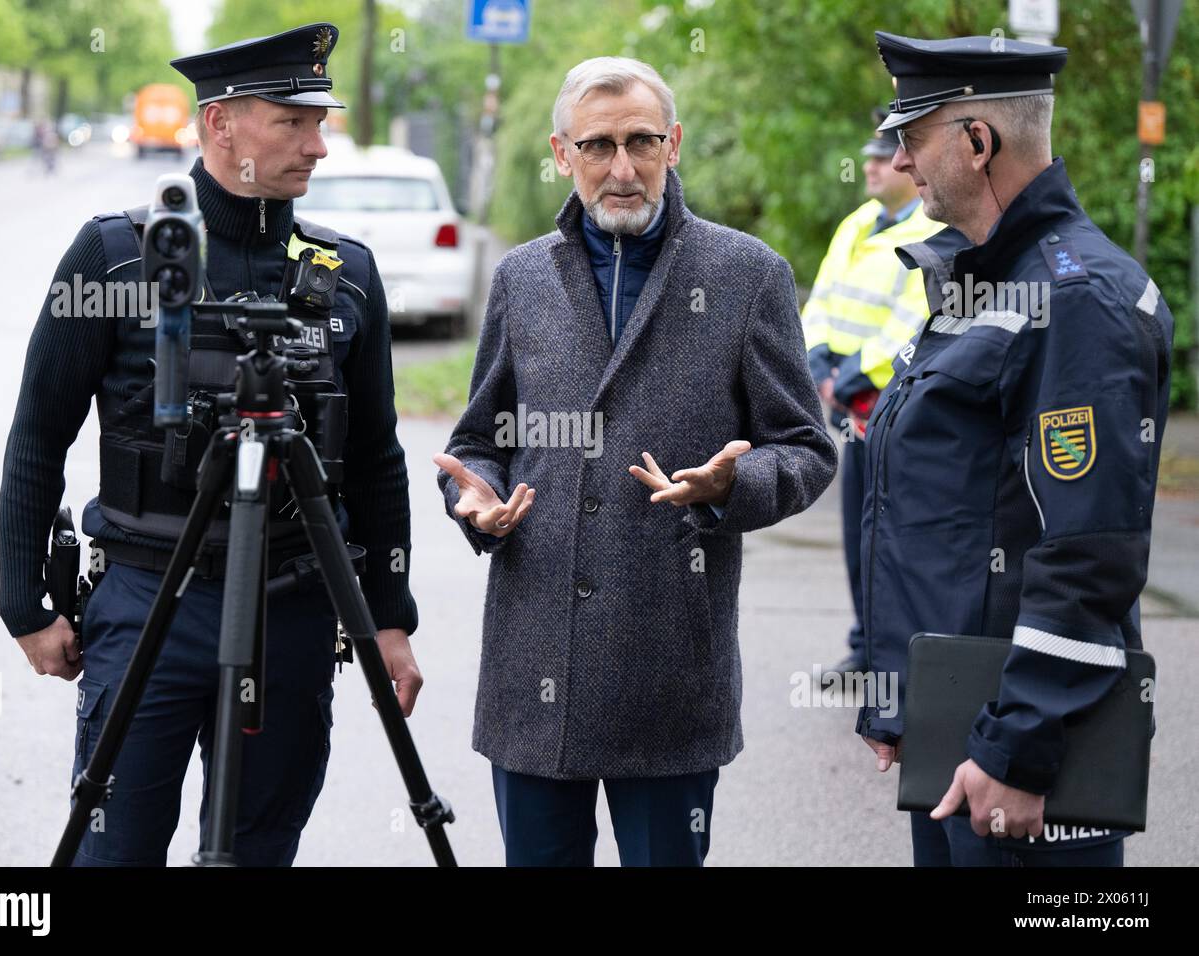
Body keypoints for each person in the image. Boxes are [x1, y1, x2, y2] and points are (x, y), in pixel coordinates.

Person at [0, 22, 422, 866]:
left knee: (258, 851)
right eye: (293, 123)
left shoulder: (349, 273)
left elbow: (376, 458)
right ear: (220, 124)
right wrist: (24, 604)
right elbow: (39, 433)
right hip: (150, 599)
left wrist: (390, 618)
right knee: (115, 852)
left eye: (321, 122)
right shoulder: (118, 256)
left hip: (296, 610)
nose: (319, 146)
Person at [434, 56, 837, 867]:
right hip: (535, 663)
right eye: (598, 146)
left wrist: (735, 485)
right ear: (562, 154)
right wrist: (475, 503)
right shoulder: (522, 278)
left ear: (674, 144)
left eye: (642, 142)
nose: (622, 168)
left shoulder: (745, 275)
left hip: (669, 669)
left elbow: (806, 449)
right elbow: (480, 438)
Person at [856, 32, 1174, 866]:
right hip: (960, 735)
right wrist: (905, 703)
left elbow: (1087, 554)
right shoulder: (988, 277)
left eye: (911, 135)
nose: (899, 158)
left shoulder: (1076, 299)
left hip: (1021, 759)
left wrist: (1016, 751)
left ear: (976, 141)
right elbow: (951, 519)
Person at [801, 107, 940, 678]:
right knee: (861, 530)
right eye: (870, 155)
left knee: (900, 538)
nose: (873, 165)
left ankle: (905, 659)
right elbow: (823, 298)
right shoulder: (858, 223)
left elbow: (914, 317)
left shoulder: (932, 231)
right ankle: (865, 650)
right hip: (850, 411)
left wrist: (851, 375)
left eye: (885, 155)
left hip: (894, 406)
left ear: (910, 166)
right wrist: (817, 361)